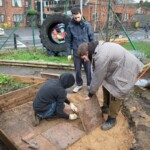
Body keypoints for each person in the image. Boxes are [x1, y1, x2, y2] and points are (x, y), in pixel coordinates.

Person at [78, 41, 144, 130]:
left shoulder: (101, 56)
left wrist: (91, 94)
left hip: (127, 68)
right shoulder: (95, 50)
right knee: (106, 83)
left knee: (117, 92)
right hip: (118, 66)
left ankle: (112, 119)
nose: (85, 60)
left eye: (84, 58)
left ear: (87, 52)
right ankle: (107, 106)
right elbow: (98, 73)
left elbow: (97, 76)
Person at [66, 7, 94, 93]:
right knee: (77, 70)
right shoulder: (70, 26)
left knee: (88, 69)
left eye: (78, 17)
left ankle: (89, 84)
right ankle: (79, 84)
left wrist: (92, 51)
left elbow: (92, 39)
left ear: (81, 14)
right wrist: (68, 53)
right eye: (75, 18)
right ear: (73, 16)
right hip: (76, 53)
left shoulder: (87, 25)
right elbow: (68, 41)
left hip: (86, 52)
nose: (77, 19)